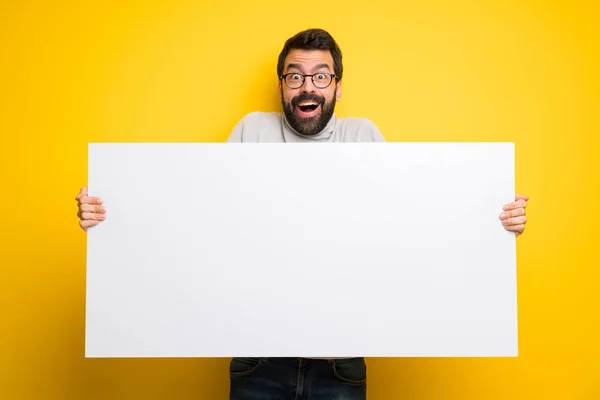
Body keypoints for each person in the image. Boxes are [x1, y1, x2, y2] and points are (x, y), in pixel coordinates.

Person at [75, 28, 529, 400]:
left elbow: (410, 231)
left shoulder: (363, 137)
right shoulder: (252, 131)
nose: (307, 86)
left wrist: (490, 222)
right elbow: (197, 221)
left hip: (340, 363)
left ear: (337, 86)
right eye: (295, 76)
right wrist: (111, 217)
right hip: (257, 360)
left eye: (320, 76)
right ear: (281, 87)